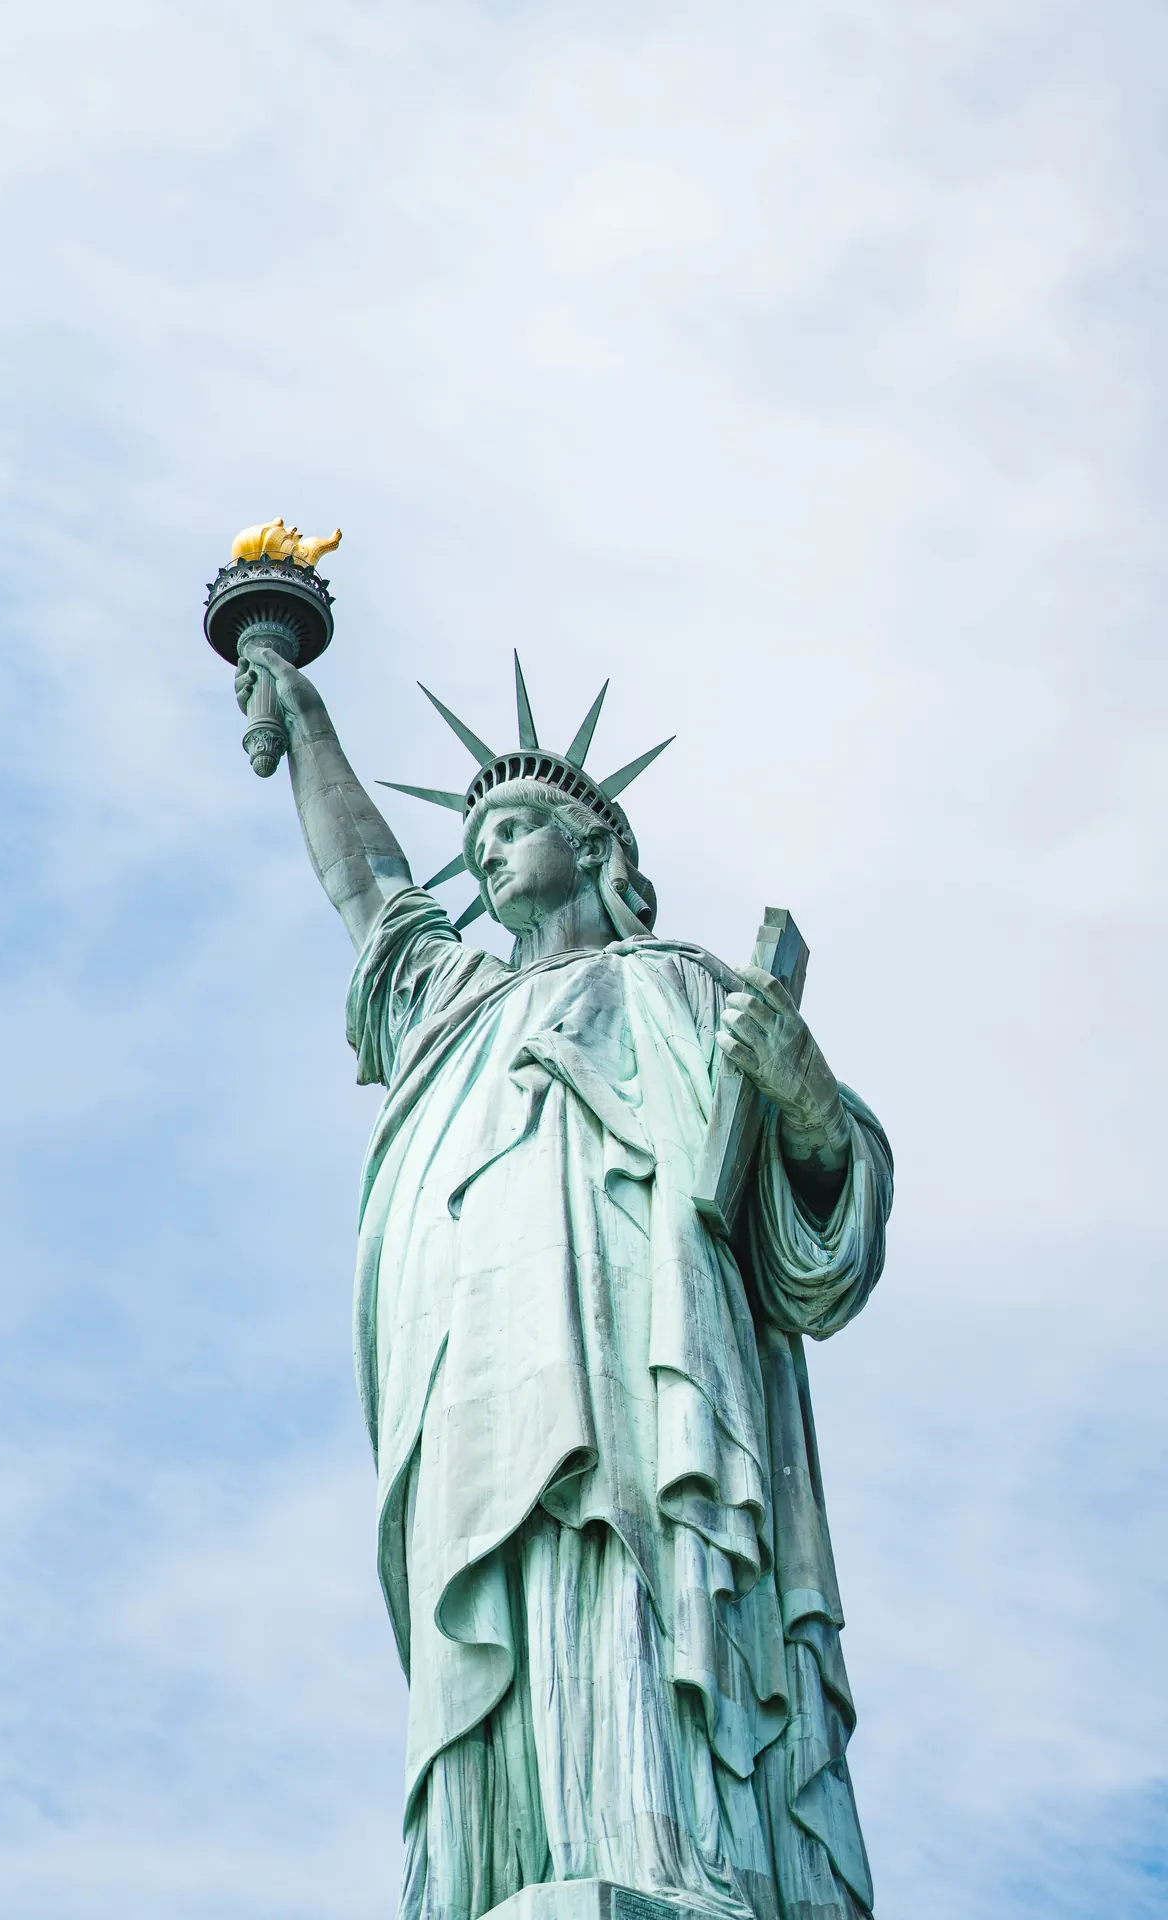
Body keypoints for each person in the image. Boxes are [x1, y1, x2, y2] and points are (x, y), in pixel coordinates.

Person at [234, 643, 893, 1920]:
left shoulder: (687, 989)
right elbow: (373, 894)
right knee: (512, 1607)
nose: (484, 854)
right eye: (474, 836)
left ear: (595, 849)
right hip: (479, 1382)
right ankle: (513, 1866)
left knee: (635, 1589)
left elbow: (821, 1222)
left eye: (514, 826)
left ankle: (677, 1851)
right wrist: (309, 722)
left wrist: (803, 1097)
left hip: (649, 1369)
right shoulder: (456, 1012)